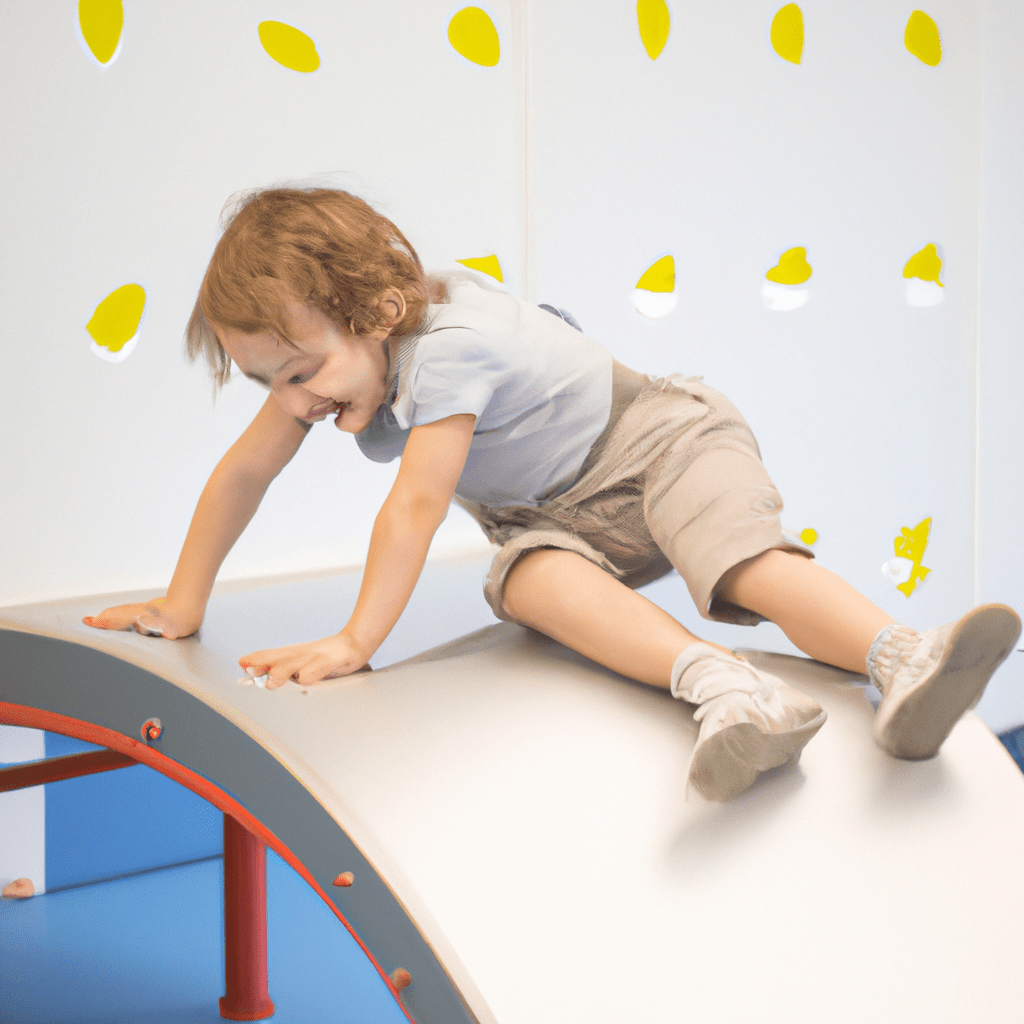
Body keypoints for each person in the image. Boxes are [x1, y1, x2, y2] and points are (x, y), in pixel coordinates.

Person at [84, 187, 1021, 801]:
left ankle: (900, 656)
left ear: (375, 315)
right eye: (271, 384)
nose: (295, 401)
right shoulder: (339, 366)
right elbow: (244, 472)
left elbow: (413, 505)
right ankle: (730, 692)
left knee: (742, 559)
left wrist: (354, 641)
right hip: (559, 520)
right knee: (524, 578)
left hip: (658, 445)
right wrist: (183, 601)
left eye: (302, 371)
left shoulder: (446, 347)